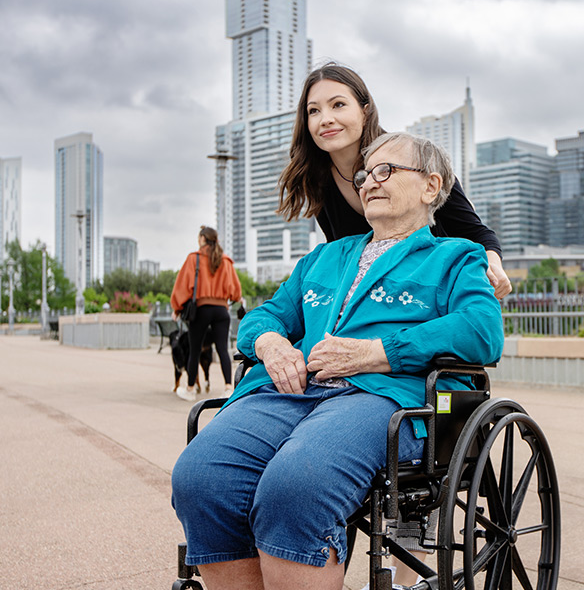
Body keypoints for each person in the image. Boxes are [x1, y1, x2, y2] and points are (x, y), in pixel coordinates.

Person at [171, 133, 505, 590]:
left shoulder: (456, 257)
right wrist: (270, 343)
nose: (369, 182)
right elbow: (266, 315)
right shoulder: (325, 257)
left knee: (298, 483)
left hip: (383, 397)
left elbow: (481, 329)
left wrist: (378, 352)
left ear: (431, 187)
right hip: (291, 391)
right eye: (366, 173)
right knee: (201, 476)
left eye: (387, 171)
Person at [277, 62, 512, 300]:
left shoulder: (411, 159)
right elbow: (343, 252)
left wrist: (493, 266)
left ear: (364, 111)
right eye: (313, 111)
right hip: (378, 300)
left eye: (338, 105)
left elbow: (476, 232)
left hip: (435, 292)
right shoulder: (318, 178)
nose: (325, 119)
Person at [170, 226, 242, 401]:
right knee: (222, 349)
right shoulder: (226, 261)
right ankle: (228, 388)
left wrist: (177, 308)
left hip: (201, 310)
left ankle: (190, 389)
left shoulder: (193, 259)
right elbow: (236, 291)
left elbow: (182, 287)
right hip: (221, 311)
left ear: (203, 239)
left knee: (194, 350)